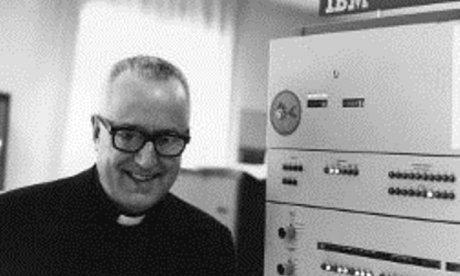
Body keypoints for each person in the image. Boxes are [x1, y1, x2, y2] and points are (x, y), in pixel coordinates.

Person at [0, 55, 236, 275]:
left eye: (166, 139)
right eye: (128, 135)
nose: (146, 161)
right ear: (96, 133)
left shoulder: (210, 244)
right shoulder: (13, 221)